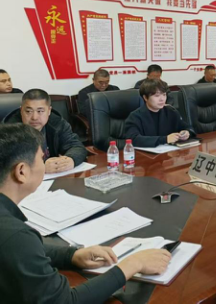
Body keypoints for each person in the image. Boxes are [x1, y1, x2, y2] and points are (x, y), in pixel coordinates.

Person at [0, 123, 172, 303]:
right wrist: (132, 265)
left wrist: (71, 255)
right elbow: (66, 301)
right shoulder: (16, 235)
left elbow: (23, 251)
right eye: (41, 160)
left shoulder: (13, 234)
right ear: (22, 171)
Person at [3, 89, 88, 175]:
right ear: (21, 110)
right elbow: (6, 163)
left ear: (49, 110)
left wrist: (70, 160)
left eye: (40, 111)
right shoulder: (9, 129)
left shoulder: (57, 123)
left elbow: (77, 146)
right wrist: (41, 168)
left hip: (53, 177)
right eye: (28, 111)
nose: (34, 117)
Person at [125, 79, 195, 147]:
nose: (162, 99)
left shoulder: (171, 112)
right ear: (145, 98)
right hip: (146, 154)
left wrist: (186, 133)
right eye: (157, 96)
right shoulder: (135, 116)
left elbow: (188, 128)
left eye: (164, 94)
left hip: (169, 152)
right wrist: (164, 139)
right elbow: (133, 139)